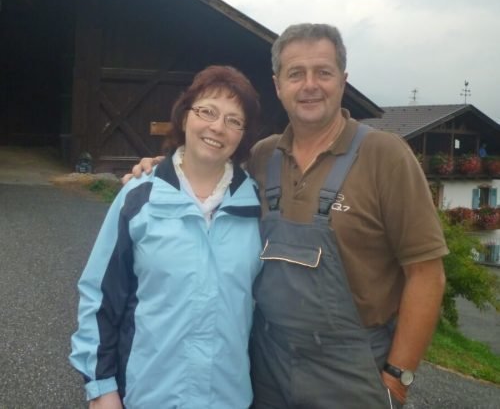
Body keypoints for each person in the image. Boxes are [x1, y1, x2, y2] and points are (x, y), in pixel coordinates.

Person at [125, 24, 448, 408]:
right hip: (268, 362)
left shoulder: (385, 155)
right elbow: (205, 169)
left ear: (343, 81)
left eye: (323, 72)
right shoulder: (262, 156)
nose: (310, 85)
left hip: (351, 370)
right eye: (296, 74)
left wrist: (397, 378)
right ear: (278, 85)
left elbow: (426, 274)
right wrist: (162, 167)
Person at [70, 65, 263, 409]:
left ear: (243, 135)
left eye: (234, 120)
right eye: (207, 111)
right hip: (148, 395)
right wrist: (101, 387)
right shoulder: (139, 197)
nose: (218, 127)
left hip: (228, 398)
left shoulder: (257, 207)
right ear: (185, 115)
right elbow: (100, 296)